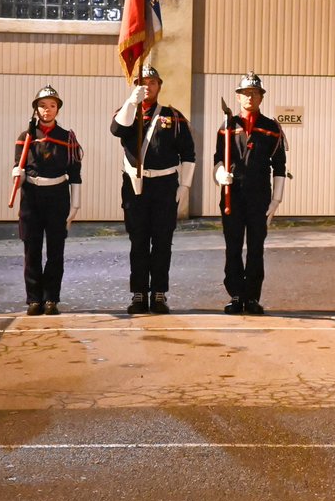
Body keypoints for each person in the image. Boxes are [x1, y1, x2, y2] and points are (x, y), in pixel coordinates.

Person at [110, 65, 196, 314]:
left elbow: (189, 154)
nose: (148, 86)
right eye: (143, 82)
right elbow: (117, 130)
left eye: (153, 82)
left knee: (162, 242)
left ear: (160, 86)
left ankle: (159, 293)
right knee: (138, 241)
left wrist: (185, 184)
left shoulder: (174, 117)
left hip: (165, 186)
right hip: (135, 186)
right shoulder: (127, 114)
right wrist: (130, 102)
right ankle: (138, 294)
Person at [213, 72, 288, 315]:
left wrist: (277, 199)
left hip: (259, 197)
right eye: (245, 93)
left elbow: (279, 166)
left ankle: (252, 297)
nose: (249, 97)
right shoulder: (227, 126)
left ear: (261, 97)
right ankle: (236, 295)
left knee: (256, 248)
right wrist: (220, 174)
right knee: (233, 246)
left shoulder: (271, 127)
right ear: (237, 97)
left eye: (254, 93)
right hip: (232, 196)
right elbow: (217, 160)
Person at [11, 85, 82, 315]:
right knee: (31, 249)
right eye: (42, 106)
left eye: (52, 106)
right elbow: (18, 166)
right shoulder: (26, 137)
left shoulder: (67, 138)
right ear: (36, 109)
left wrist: (75, 205)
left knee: (55, 250)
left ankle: (51, 298)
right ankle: (34, 299)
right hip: (31, 198)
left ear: (57, 109)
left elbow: (75, 174)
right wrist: (17, 174)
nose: (47, 110)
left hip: (57, 197)